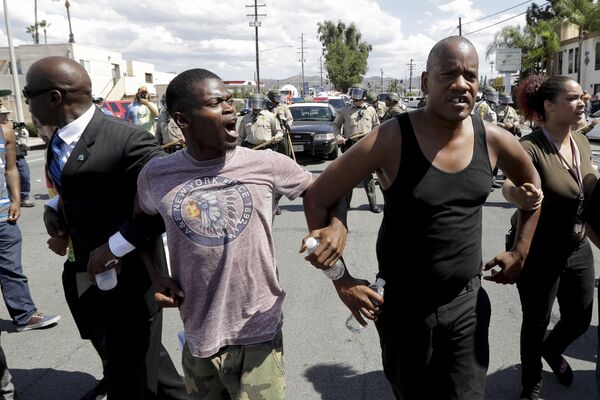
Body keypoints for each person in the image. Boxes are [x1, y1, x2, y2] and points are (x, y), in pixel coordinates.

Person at [302, 36, 541, 400]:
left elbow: (532, 190)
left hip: (467, 303)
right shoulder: (391, 138)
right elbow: (320, 195)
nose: (461, 84)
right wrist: (342, 280)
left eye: (470, 76)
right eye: (449, 74)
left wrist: (519, 252)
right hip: (403, 308)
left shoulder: (493, 138)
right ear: (426, 82)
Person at [123, 68, 345, 399]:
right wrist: (156, 274)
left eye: (230, 100)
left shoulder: (267, 163)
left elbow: (330, 189)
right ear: (183, 120)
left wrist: (335, 227)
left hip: (259, 330)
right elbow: (140, 225)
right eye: (217, 103)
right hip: (198, 333)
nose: (231, 109)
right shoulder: (157, 174)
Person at [25, 56, 186, 399]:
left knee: (131, 371)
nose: (26, 102)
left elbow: (161, 207)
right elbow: (80, 186)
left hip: (130, 278)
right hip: (84, 272)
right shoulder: (57, 138)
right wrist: (55, 208)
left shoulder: (129, 141)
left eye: (29, 94)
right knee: (139, 362)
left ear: (55, 97)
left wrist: (113, 247)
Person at [502, 75, 598, 400]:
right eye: (572, 98)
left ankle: (552, 350)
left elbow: (589, 201)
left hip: (577, 245)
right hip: (538, 251)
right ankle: (531, 387)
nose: (581, 102)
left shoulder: (582, 142)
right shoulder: (529, 147)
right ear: (549, 106)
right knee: (536, 321)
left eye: (581, 96)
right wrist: (519, 196)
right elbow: (509, 185)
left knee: (581, 319)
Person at [0, 114, 61, 332]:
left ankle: (25, 315)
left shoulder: (5, 132)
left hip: (4, 215)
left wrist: (16, 200)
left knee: (12, 268)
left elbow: (11, 168)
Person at [333, 83, 381, 213]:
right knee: (349, 176)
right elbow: (336, 125)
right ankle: (346, 203)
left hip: (366, 148)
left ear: (363, 95)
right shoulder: (345, 110)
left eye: (357, 93)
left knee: (368, 177)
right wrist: (338, 137)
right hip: (351, 146)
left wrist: (374, 135)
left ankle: (373, 204)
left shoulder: (370, 110)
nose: (354, 97)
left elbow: (377, 126)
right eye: (353, 93)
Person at [0, 108, 34, 207]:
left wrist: (18, 130)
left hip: (18, 154)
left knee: (25, 175)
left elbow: (24, 135)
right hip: (4, 155)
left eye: (6, 114)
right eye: (2, 114)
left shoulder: (11, 124)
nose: (5, 116)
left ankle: (24, 197)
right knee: (5, 177)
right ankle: (10, 199)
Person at [267, 88, 293, 158]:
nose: (279, 99)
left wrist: (287, 126)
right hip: (269, 135)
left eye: (279, 97)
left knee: (285, 154)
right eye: (277, 97)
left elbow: (290, 119)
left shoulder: (284, 107)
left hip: (282, 134)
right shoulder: (266, 108)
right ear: (271, 98)